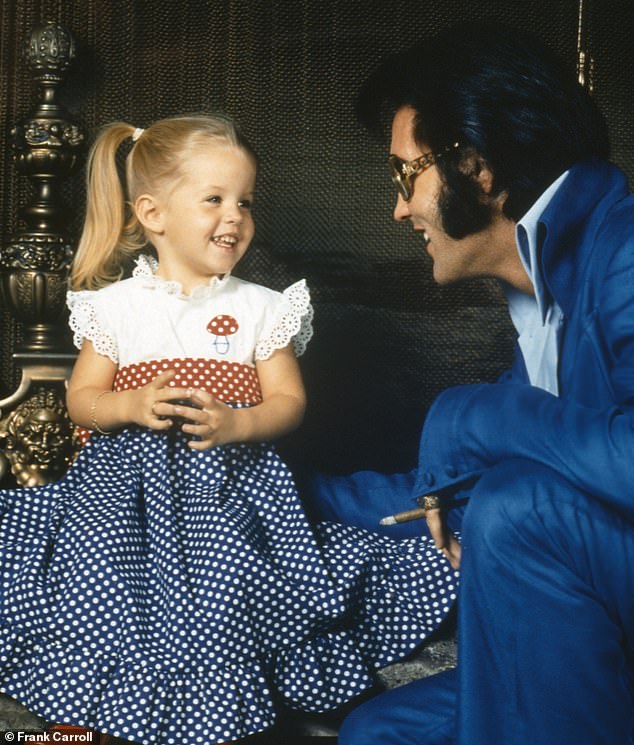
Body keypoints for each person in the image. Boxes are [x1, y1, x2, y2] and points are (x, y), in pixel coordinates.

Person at [0, 113, 460, 745]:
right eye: (214, 199)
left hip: (227, 488)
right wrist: (127, 407)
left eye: (245, 200)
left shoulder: (261, 307)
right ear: (153, 214)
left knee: (230, 585)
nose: (236, 216)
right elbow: (82, 400)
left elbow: (288, 403)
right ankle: (83, 721)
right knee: (92, 571)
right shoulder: (115, 308)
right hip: (122, 493)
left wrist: (237, 422)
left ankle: (220, 709)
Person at [337, 22, 634, 745]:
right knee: (378, 734)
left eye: (407, 175)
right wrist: (263, 479)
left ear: (475, 168)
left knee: (517, 504)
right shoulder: (537, 300)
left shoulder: (625, 246)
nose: (399, 209)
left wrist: (470, 413)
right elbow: (443, 485)